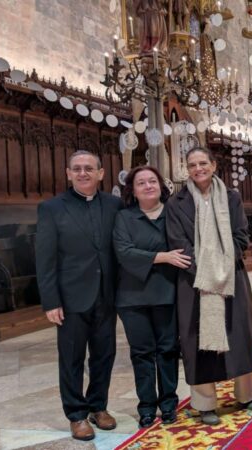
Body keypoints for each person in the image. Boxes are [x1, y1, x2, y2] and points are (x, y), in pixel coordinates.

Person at [165, 147, 252, 425]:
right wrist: (205, 269)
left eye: (203, 163)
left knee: (238, 336)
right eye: (192, 165)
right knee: (197, 341)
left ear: (214, 164)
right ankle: (204, 402)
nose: (198, 169)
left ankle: (245, 395)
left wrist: (222, 263)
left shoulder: (231, 197)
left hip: (231, 276)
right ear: (187, 169)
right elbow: (178, 242)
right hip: (194, 281)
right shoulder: (176, 202)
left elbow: (241, 235)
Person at [35, 150, 123, 441]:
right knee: (72, 358)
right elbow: (45, 258)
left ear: (101, 173)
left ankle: (99, 406)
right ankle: (76, 414)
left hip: (106, 295)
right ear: (68, 173)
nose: (83, 173)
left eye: (89, 168)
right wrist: (51, 301)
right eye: (77, 169)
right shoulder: (52, 208)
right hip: (71, 297)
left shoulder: (115, 205)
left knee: (104, 355)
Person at [113, 166, 188, 428]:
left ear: (161, 185)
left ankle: (169, 404)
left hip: (168, 292)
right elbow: (123, 252)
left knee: (168, 350)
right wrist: (163, 257)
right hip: (133, 296)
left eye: (152, 181)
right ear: (132, 190)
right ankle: (146, 406)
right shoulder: (124, 218)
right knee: (142, 353)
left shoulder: (174, 214)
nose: (147, 186)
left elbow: (185, 246)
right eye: (141, 183)